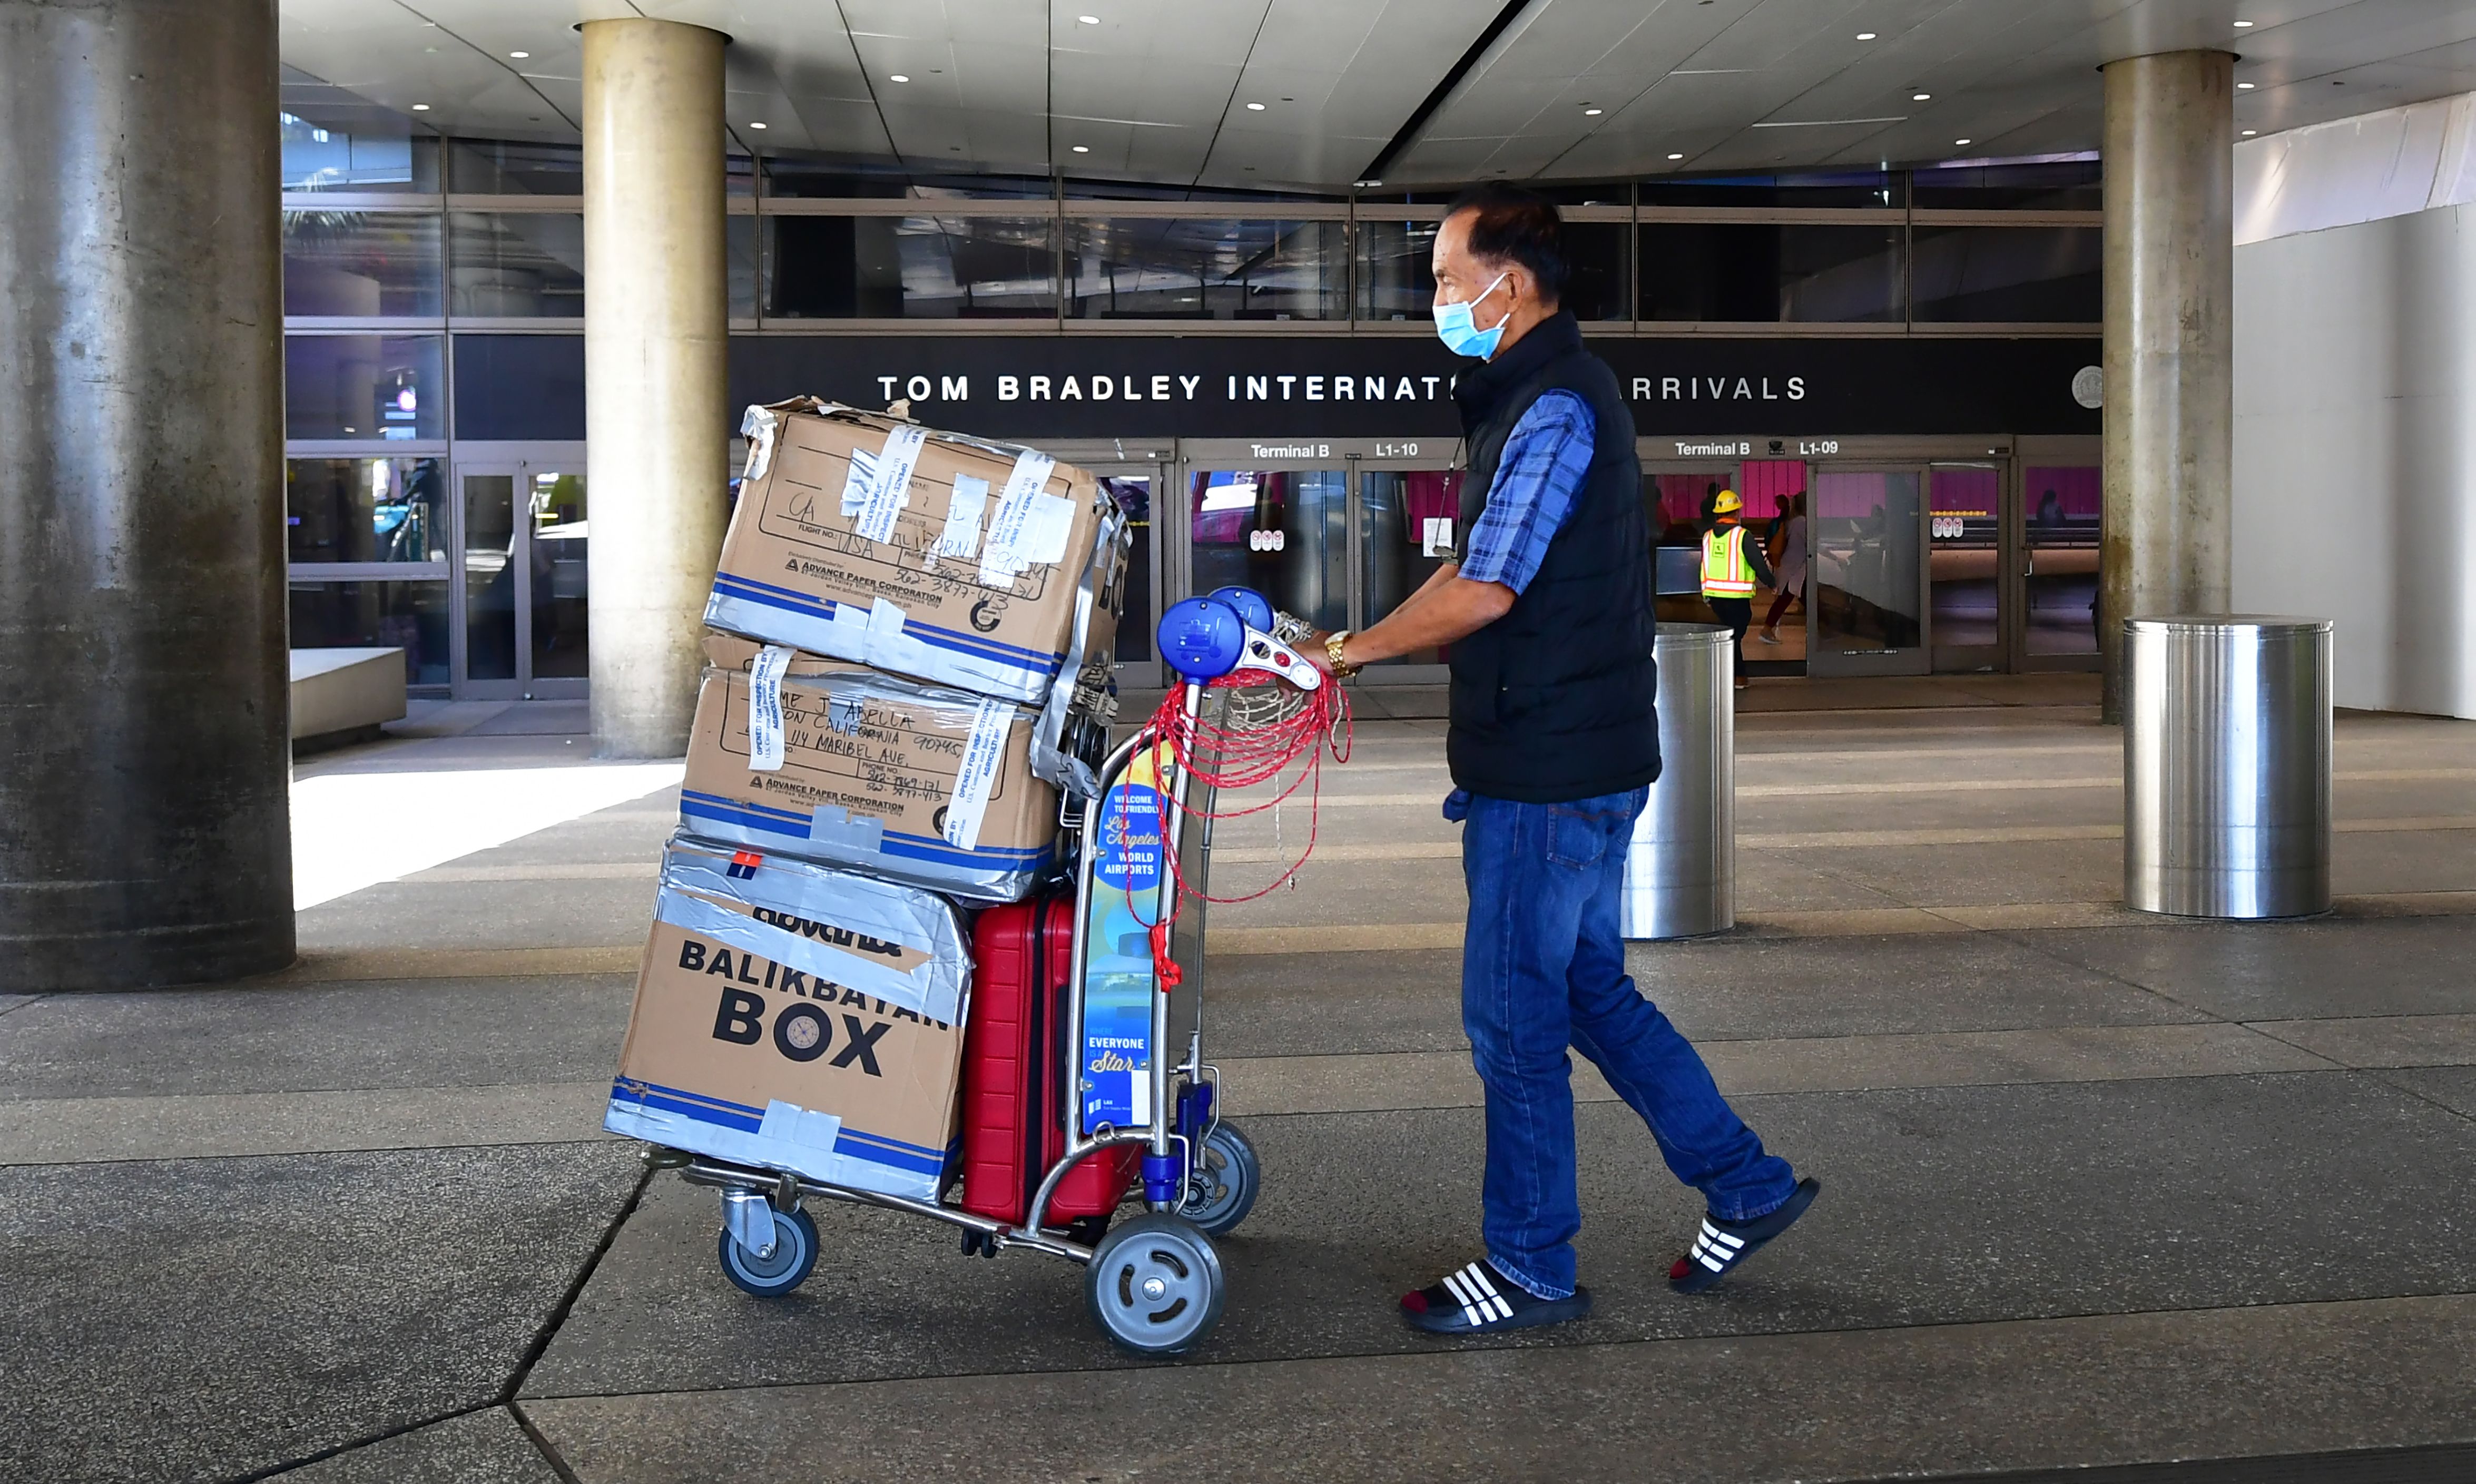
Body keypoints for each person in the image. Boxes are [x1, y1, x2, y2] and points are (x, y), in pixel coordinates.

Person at [1306, 183, 1819, 1336]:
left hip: (1546, 774)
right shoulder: (1526, 402)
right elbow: (1472, 567)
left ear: (1512, 283)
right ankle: (1746, 1183)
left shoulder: (1553, 408)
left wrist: (1346, 653)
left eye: (1446, 278)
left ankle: (1529, 1262)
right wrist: (1346, 647)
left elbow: (1491, 590)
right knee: (1589, 988)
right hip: (1578, 756)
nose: (1436, 299)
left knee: (1512, 1017)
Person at [1701, 488, 1775, 686]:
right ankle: (1737, 676)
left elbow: (1705, 566)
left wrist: (1706, 595)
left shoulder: (1708, 536)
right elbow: (1758, 563)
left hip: (1715, 599)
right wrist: (1771, 583)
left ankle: (1729, 676)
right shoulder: (1742, 536)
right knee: (1733, 638)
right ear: (1736, 513)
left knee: (1728, 637)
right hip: (1737, 598)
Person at [1757, 489, 1807, 646]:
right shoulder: (1802, 522)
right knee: (1792, 598)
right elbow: (1811, 543)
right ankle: (1766, 630)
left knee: (1787, 599)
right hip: (1796, 568)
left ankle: (1767, 629)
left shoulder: (1791, 521)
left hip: (1790, 567)